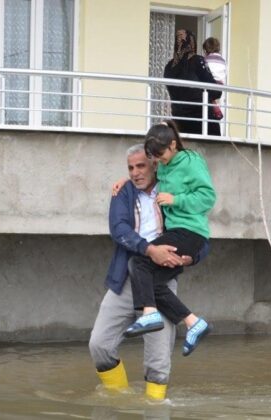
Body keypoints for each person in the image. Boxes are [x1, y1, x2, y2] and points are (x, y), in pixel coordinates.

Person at [88, 143, 209, 401]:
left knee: (158, 363)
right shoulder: (123, 192)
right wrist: (149, 250)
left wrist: (191, 258)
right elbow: (118, 229)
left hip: (159, 285)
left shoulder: (175, 190)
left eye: (141, 165)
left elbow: (200, 235)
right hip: (124, 281)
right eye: (130, 168)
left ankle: (154, 410)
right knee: (99, 345)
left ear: (155, 164)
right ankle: (117, 400)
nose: (135, 172)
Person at [123, 121, 215, 358]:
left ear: (173, 145)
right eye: (154, 156)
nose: (160, 160)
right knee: (151, 283)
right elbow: (146, 177)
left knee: (139, 262)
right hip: (176, 231)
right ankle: (194, 323)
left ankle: (149, 315)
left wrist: (176, 200)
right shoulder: (163, 165)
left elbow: (207, 197)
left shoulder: (191, 161)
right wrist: (122, 182)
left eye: (161, 154)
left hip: (190, 231)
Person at [163, 30, 222, 136]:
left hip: (179, 121)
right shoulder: (197, 61)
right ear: (192, 42)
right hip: (202, 121)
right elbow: (216, 92)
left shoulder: (169, 67)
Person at [202, 37, 227, 120]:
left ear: (206, 50)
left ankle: (217, 112)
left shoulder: (206, 60)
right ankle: (216, 111)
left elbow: (205, 72)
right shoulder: (222, 60)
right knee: (212, 100)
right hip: (220, 86)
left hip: (211, 84)